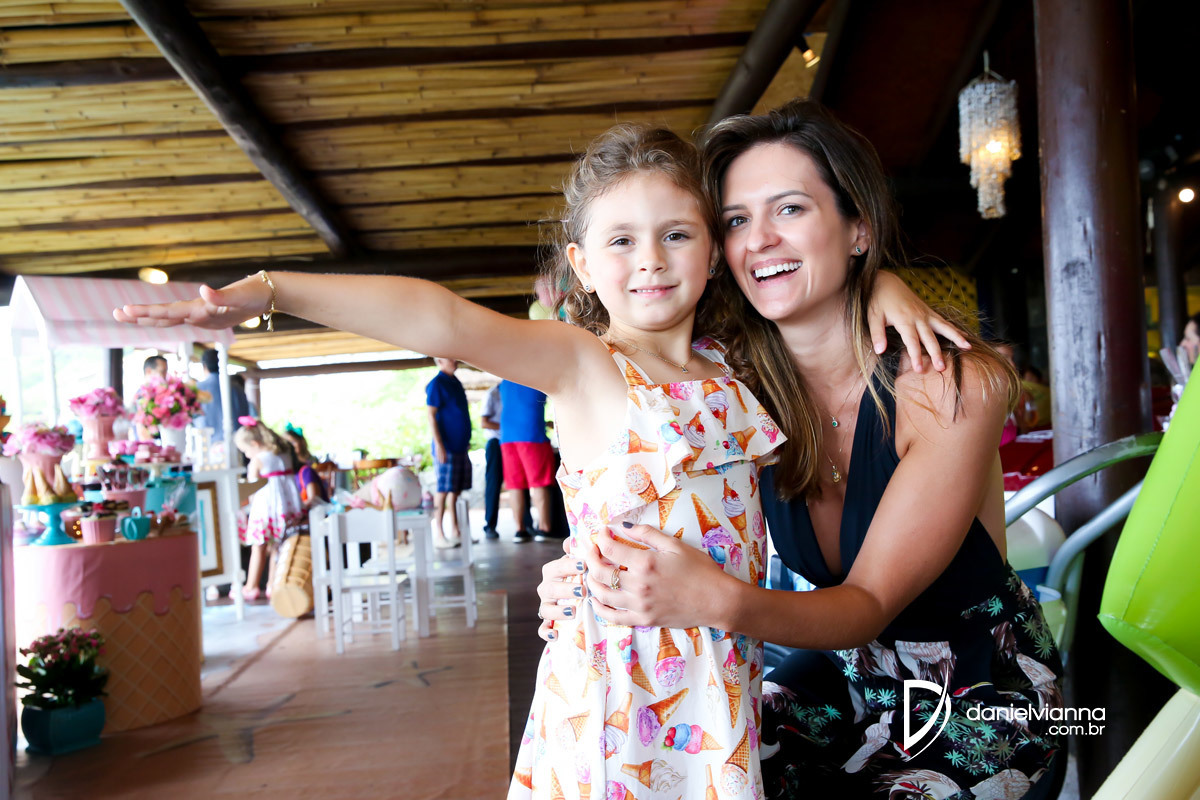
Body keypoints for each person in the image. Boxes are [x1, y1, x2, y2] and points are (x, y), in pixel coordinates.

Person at [113, 121, 958, 800]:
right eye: (620, 241)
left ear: (711, 251)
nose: (650, 260)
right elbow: (442, 318)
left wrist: (884, 283)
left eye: (675, 234)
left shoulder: (734, 367)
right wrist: (271, 291)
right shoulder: (587, 363)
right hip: (621, 690)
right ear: (582, 267)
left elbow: (822, 296)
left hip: (718, 680)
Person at [536, 101, 1064, 798]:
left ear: (858, 227)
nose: (760, 240)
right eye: (735, 221)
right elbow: (651, 489)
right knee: (695, 761)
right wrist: (592, 572)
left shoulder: (946, 384)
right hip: (846, 675)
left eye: (789, 209)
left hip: (980, 694)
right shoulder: (734, 388)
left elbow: (869, 601)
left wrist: (717, 600)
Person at [234, 417, 302, 601]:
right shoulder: (285, 454)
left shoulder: (258, 461)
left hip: (265, 507)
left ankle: (251, 585)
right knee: (277, 547)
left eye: (246, 451)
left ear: (255, 444)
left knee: (258, 547)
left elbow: (252, 487)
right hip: (286, 506)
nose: (247, 455)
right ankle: (273, 583)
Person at [498, 379, 555, 543]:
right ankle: (544, 529)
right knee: (539, 483)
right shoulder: (534, 375)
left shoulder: (504, 380)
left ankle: (520, 530)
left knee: (515, 485)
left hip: (507, 436)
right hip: (531, 434)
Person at [426, 357, 472, 546]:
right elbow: (431, 415)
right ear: (439, 361)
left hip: (460, 445)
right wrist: (439, 444)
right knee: (443, 489)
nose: (454, 361)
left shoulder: (456, 382)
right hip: (446, 446)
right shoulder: (437, 384)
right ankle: (439, 534)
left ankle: (456, 531)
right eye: (449, 358)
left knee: (456, 490)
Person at [480, 384, 533, 540]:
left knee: (521, 482)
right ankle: (490, 525)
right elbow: (484, 422)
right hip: (496, 442)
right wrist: (509, 426)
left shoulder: (518, 391)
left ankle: (526, 524)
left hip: (515, 440)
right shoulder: (493, 394)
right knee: (493, 483)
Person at [197, 348, 250, 442]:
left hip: (208, 444)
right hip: (238, 442)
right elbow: (245, 417)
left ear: (204, 366)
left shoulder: (198, 389)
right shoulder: (237, 388)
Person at [282, 422, 328, 508]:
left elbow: (314, 499)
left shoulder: (306, 470)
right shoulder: (290, 473)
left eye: (292, 442)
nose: (290, 447)